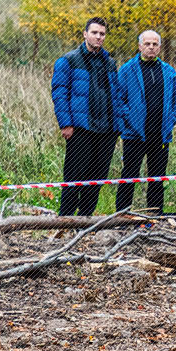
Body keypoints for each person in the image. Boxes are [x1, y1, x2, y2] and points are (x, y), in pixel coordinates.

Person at [51, 17, 124, 217]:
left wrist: (118, 125)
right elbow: (59, 93)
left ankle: (85, 220)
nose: (99, 37)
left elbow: (116, 95)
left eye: (102, 34)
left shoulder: (110, 62)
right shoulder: (68, 61)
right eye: (94, 33)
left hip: (107, 130)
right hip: (81, 128)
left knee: (97, 179)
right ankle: (65, 220)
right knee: (74, 177)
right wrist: (66, 123)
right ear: (85, 34)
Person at [114, 29, 176, 214]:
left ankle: (154, 213)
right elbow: (118, 100)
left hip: (160, 134)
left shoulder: (168, 71)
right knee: (129, 175)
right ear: (139, 46)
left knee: (157, 177)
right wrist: (130, 120)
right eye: (147, 44)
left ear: (159, 47)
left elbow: (175, 101)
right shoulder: (127, 70)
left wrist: (170, 121)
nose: (151, 47)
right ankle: (123, 214)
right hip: (135, 134)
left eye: (154, 44)